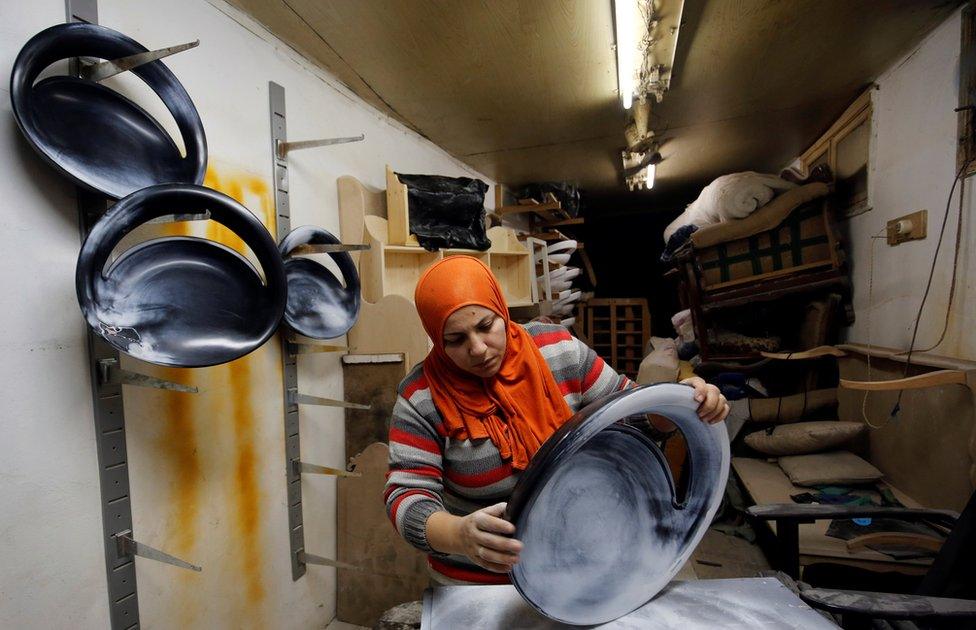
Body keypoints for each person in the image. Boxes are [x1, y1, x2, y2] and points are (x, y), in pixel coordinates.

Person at [385, 256, 729, 585]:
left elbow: (634, 417)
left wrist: (683, 402)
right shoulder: (421, 398)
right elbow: (406, 496)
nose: (478, 348)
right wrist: (460, 535)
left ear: (501, 311)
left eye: (485, 326)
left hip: (580, 564)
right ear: (436, 338)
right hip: (478, 582)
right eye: (455, 340)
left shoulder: (559, 351)